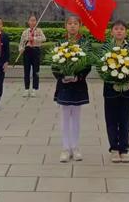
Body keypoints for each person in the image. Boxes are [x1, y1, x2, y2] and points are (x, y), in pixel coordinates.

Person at [53, 16, 90, 163]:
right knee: (65, 115)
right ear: (65, 26)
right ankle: (65, 148)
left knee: (76, 116)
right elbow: (54, 64)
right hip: (64, 85)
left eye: (75, 23)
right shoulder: (60, 43)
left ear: (79, 25)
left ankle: (75, 147)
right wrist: (62, 77)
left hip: (78, 85)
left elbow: (87, 64)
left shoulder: (84, 44)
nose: (73, 26)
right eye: (70, 24)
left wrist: (78, 77)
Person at [103, 20, 129, 163]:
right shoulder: (106, 48)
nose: (119, 31)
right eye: (116, 29)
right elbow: (102, 68)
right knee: (111, 119)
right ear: (112, 32)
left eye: (122, 29)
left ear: (126, 32)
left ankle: (124, 148)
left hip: (127, 90)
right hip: (110, 90)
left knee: (124, 119)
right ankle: (114, 148)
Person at [19, 14, 46, 97]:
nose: (32, 22)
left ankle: (34, 89)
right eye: (31, 20)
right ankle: (26, 89)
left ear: (36, 22)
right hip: (27, 51)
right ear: (28, 22)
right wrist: (21, 49)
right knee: (26, 71)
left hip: (36, 51)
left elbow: (44, 39)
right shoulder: (25, 32)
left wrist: (34, 39)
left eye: (34, 20)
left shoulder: (39, 31)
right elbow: (21, 43)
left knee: (36, 71)